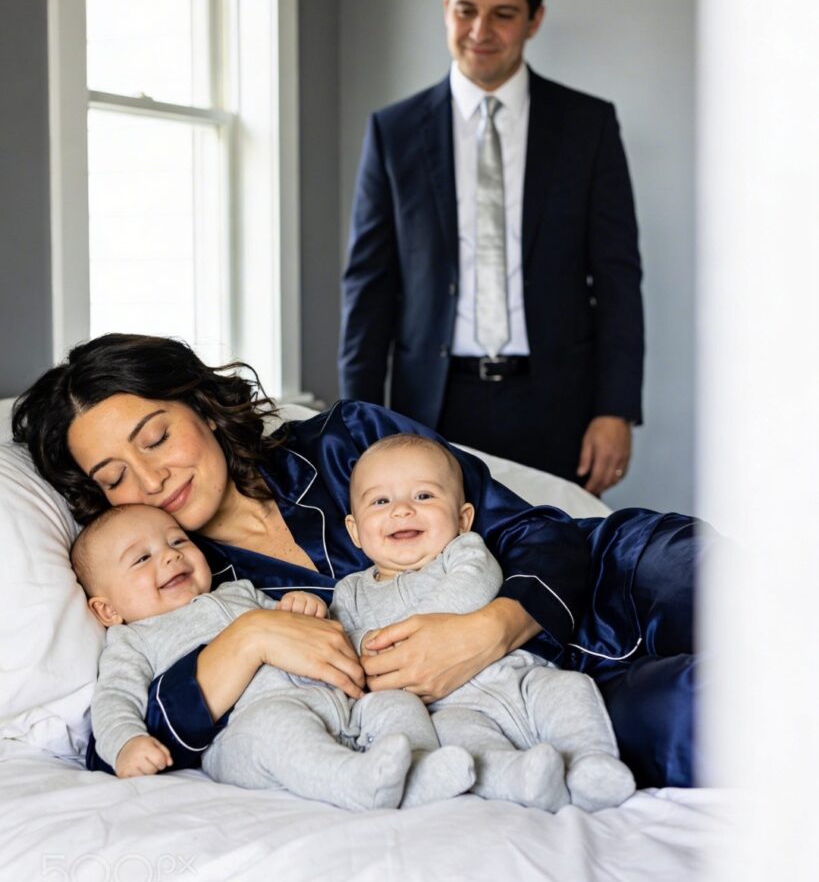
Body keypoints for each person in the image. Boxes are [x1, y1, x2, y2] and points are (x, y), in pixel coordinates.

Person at [11, 333, 695, 790]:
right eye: (114, 476)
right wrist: (249, 638)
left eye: (157, 438)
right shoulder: (181, 591)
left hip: (619, 575)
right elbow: (125, 739)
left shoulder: (346, 442)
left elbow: (538, 532)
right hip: (544, 702)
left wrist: (488, 629)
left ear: (203, 409)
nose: (151, 479)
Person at [339, 0, 644, 494]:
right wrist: (358, 421)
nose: (480, 31)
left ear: (534, 19)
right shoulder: (393, 132)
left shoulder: (588, 126)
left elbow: (618, 277)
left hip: (559, 406)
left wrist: (615, 409)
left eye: (503, 14)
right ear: (445, 10)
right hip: (431, 407)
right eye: (466, 10)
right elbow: (369, 287)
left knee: (563, 546)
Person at [72, 503, 475, 810]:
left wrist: (304, 608)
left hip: (338, 704)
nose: (170, 556)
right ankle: (353, 781)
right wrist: (126, 743)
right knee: (277, 728)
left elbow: (300, 628)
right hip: (245, 732)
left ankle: (420, 770)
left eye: (178, 541)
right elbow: (113, 700)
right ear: (107, 610)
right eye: (142, 558)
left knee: (395, 703)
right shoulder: (132, 641)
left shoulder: (240, 592)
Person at [332, 433, 635, 813]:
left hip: (519, 676)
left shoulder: (462, 552)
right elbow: (343, 642)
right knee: (465, 747)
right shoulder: (350, 592)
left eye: (423, 496)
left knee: (570, 689)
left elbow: (476, 582)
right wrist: (356, 641)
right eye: (381, 501)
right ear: (355, 530)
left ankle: (591, 764)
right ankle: (521, 779)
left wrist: (417, 635)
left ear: (463, 519)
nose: (403, 510)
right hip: (448, 707)